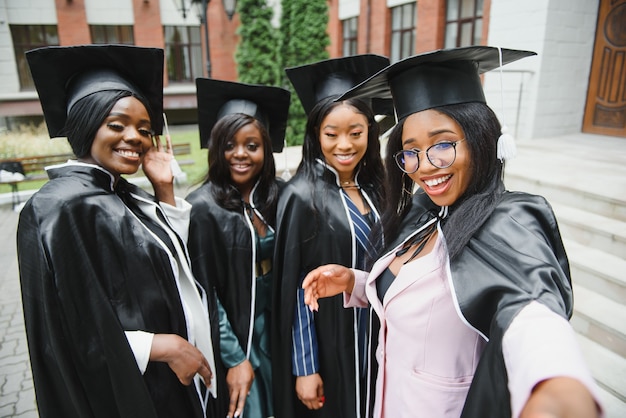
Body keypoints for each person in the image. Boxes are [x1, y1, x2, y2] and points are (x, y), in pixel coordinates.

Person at [301, 46, 604, 418]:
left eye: (442, 144)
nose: (425, 166)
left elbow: (532, 313)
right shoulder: (425, 211)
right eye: (410, 151)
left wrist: (557, 388)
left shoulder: (506, 220)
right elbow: (431, 293)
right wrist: (356, 282)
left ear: (480, 136)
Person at [17, 45, 217, 418]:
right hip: (125, 391)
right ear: (86, 121)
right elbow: (66, 333)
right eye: (117, 125)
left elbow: (174, 267)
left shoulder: (120, 194)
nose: (135, 138)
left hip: (164, 381)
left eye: (144, 129)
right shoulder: (60, 208)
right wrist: (161, 346)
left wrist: (164, 191)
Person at [272, 54, 392, 418]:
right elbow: (295, 286)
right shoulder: (300, 195)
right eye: (331, 134)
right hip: (330, 340)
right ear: (315, 134)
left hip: (382, 340)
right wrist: (305, 366)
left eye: (356, 133)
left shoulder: (380, 186)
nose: (344, 145)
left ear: (370, 132)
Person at [186, 78, 291, 418]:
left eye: (252, 145)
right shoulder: (201, 207)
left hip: (277, 327)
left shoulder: (280, 196)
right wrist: (234, 358)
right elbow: (204, 291)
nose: (241, 154)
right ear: (217, 147)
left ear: (266, 148)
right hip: (237, 330)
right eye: (230, 144)